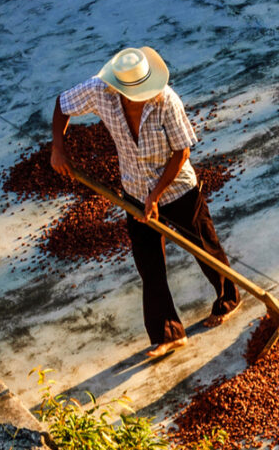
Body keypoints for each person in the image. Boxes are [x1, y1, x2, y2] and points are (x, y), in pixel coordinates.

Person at [50, 46, 241, 358]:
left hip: (177, 187)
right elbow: (62, 104)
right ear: (119, 88)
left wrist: (156, 196)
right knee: (149, 265)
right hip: (135, 190)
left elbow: (182, 153)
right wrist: (58, 147)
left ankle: (228, 298)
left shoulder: (166, 100)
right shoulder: (100, 91)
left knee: (205, 246)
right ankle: (168, 334)